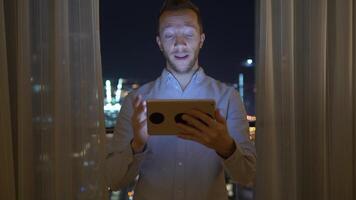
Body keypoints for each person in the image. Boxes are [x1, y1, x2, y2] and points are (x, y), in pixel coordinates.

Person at [105, 0, 256, 199]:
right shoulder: (136, 102)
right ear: (159, 42)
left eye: (188, 33)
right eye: (169, 35)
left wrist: (226, 146)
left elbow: (249, 176)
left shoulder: (227, 98)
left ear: (201, 40)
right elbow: (113, 180)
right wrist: (137, 145)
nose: (179, 43)